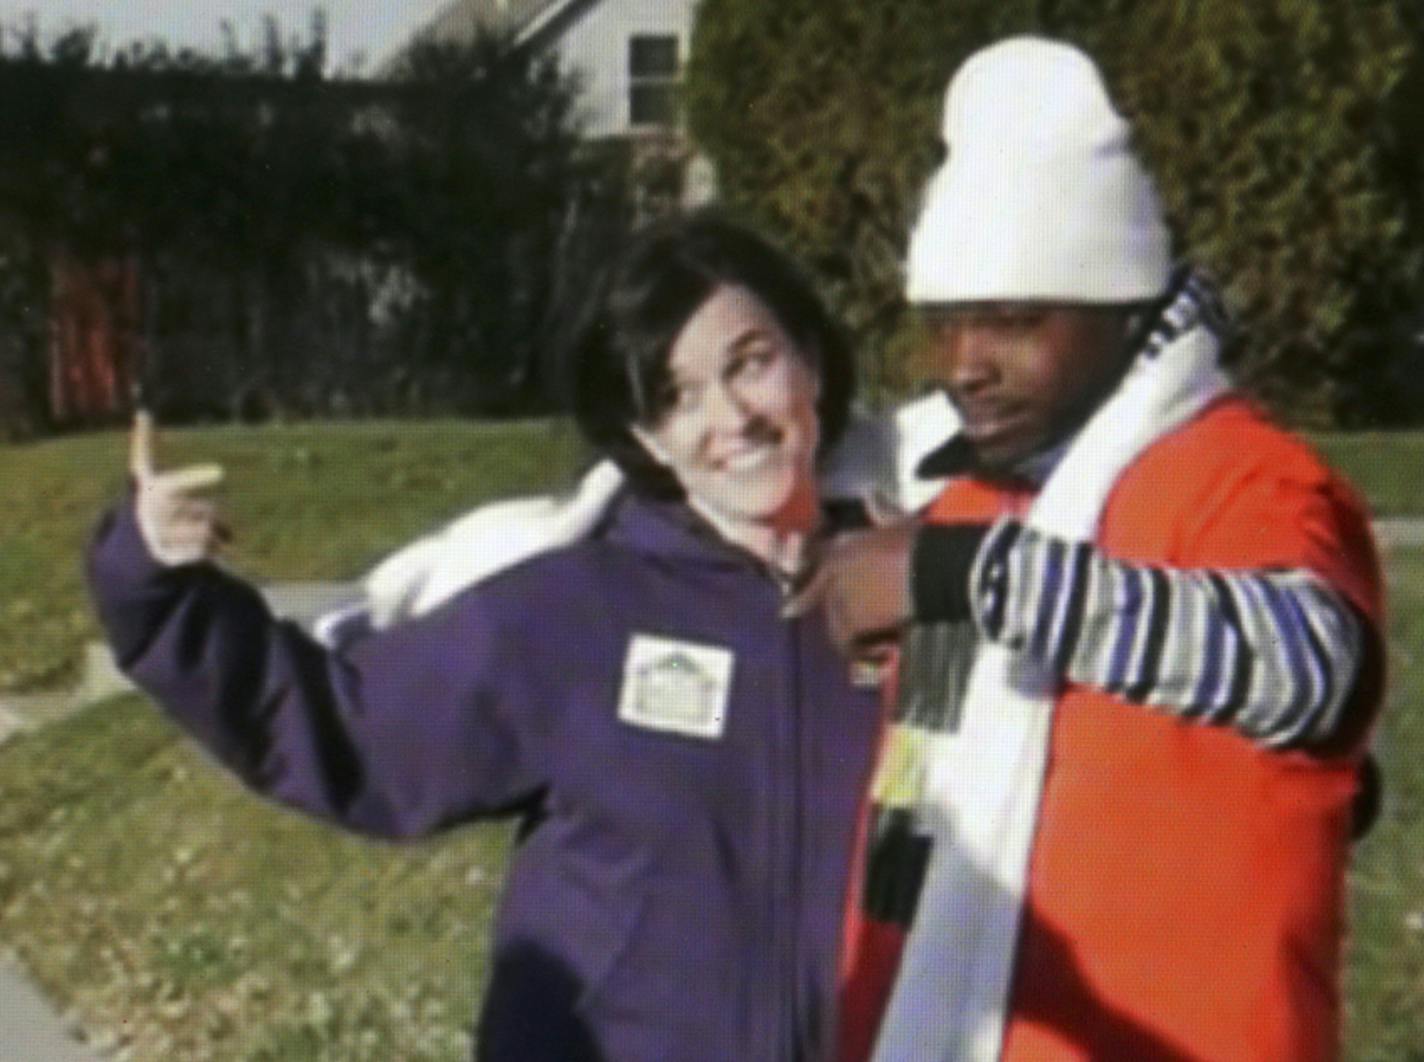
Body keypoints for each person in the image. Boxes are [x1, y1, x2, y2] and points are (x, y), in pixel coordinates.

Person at [87, 215, 886, 1062]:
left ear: (810, 360)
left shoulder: (912, 603)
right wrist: (160, 590)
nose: (731, 417)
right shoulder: (575, 612)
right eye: (676, 394)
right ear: (646, 436)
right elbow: (349, 731)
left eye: (750, 363)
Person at [789, 37, 1385, 1062]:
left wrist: (959, 576)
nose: (964, 366)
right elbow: (921, 791)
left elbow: (1313, 668)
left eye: (1012, 321)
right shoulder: (968, 489)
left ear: (1116, 308)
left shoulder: (1245, 478)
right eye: (943, 326)